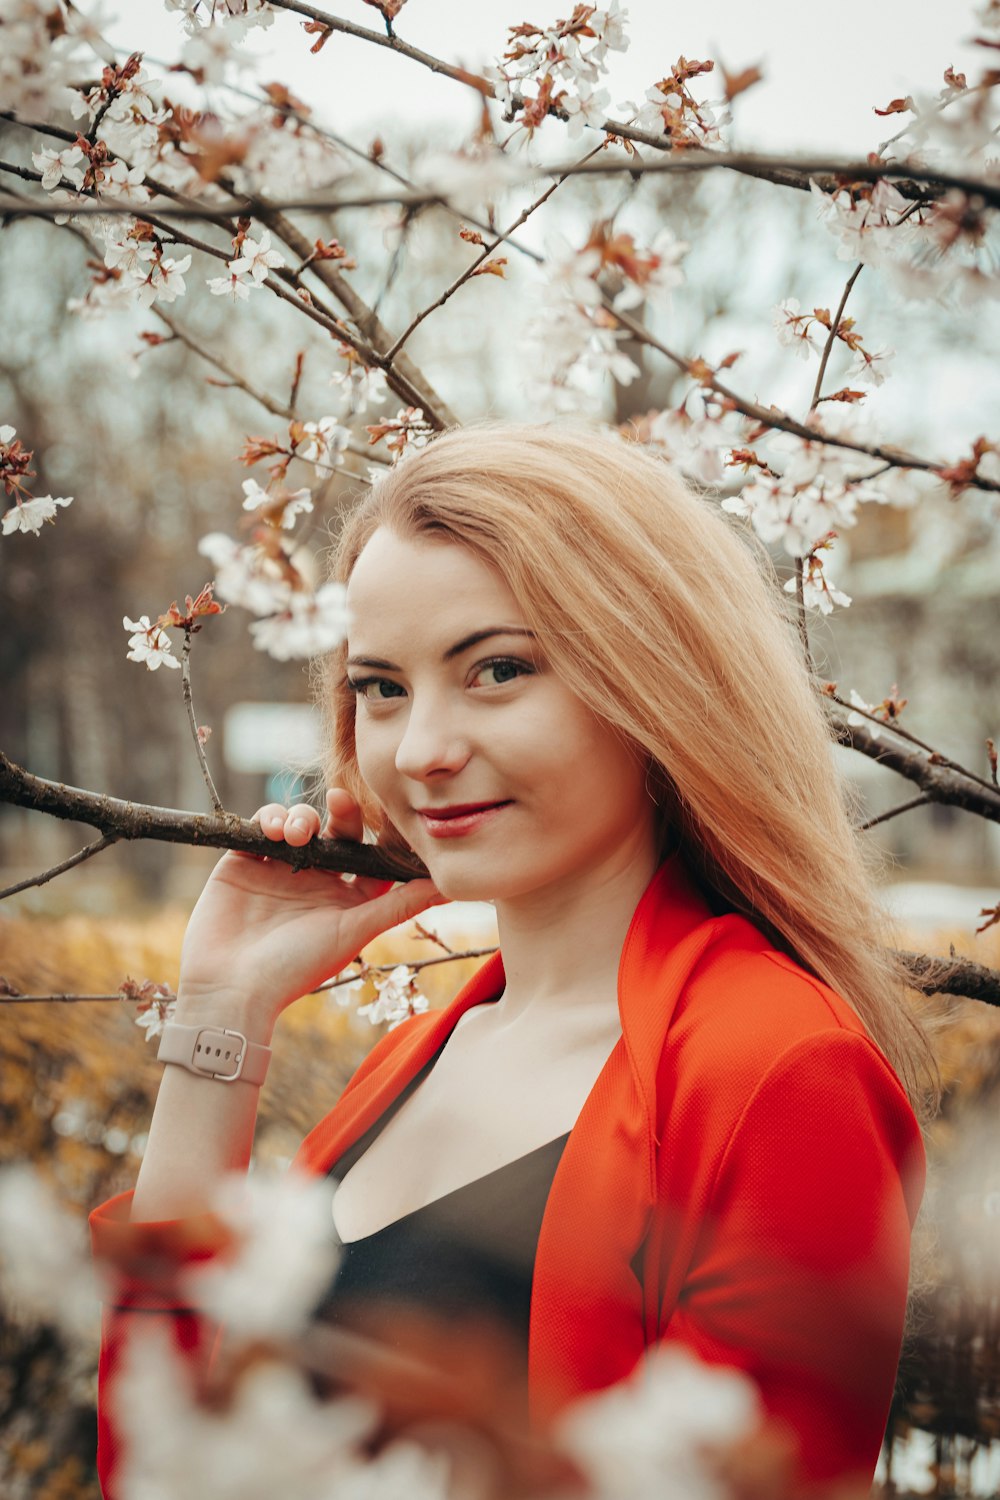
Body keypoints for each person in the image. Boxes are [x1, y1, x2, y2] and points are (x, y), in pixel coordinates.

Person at [91, 420, 934, 1498]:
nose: (423, 749)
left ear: (653, 677)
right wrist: (225, 1011)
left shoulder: (773, 1071)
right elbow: (163, 1457)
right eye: (382, 687)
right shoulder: (413, 1060)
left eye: (495, 670)